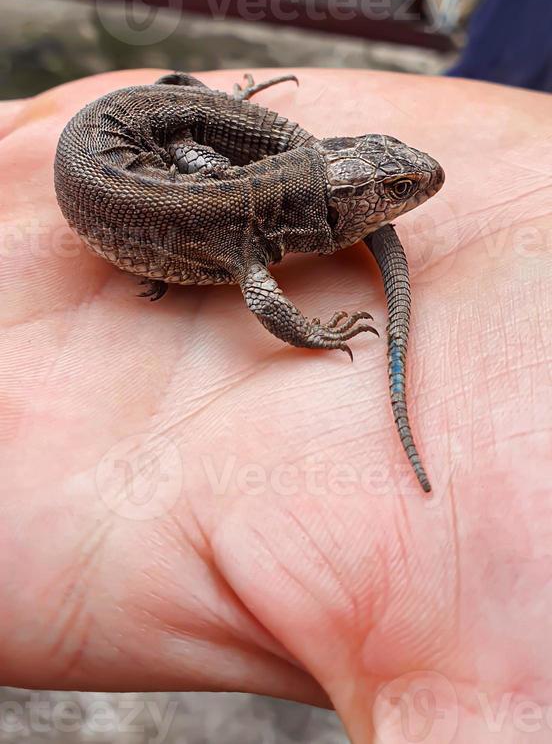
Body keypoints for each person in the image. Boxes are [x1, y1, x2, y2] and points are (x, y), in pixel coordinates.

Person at [0, 68, 550, 743]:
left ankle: (209, 115)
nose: (422, 185)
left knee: (193, 152)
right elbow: (261, 298)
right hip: (117, 137)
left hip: (130, 123)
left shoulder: (234, 206)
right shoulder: (241, 226)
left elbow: (212, 182)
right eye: (395, 193)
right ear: (329, 212)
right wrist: (314, 333)